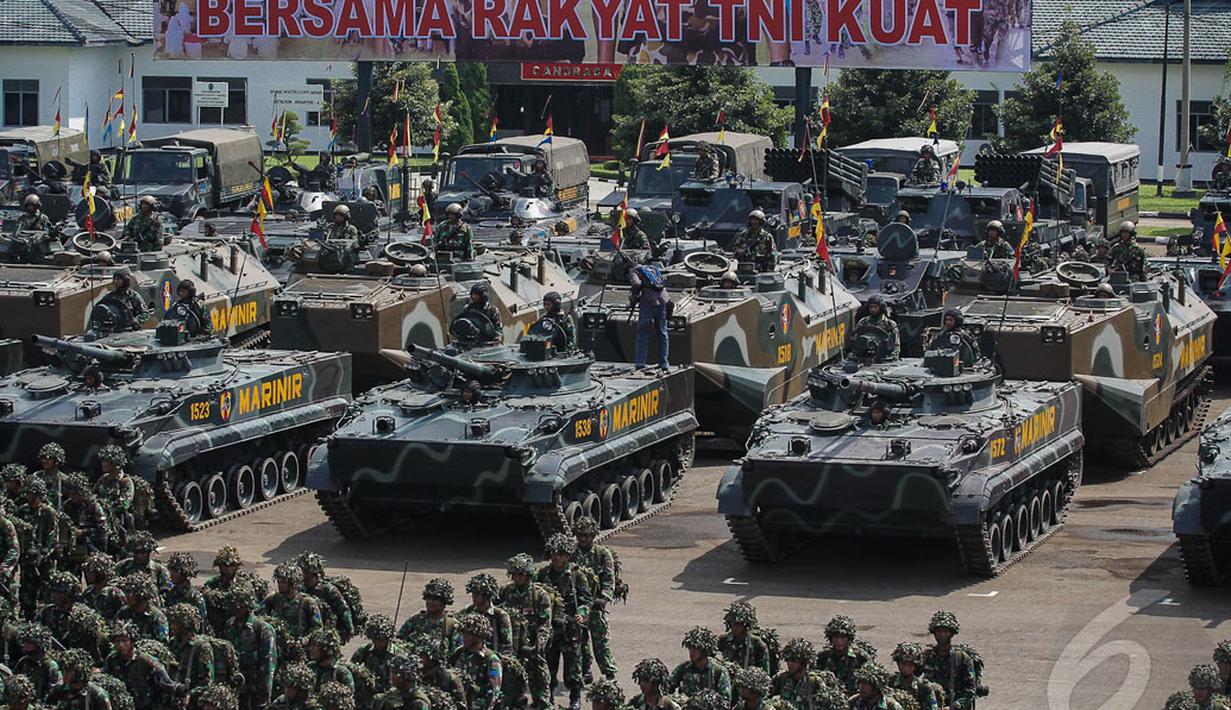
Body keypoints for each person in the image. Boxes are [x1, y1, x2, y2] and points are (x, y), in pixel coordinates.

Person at [536, 533, 592, 710]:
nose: (556, 558)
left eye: (560, 554)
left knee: (573, 667)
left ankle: (575, 698)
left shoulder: (576, 575)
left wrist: (582, 614)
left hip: (570, 627)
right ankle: (549, 695)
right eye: (553, 554)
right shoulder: (544, 574)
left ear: (567, 556)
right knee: (549, 664)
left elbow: (586, 599)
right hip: (550, 627)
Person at [500, 554, 553, 710]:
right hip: (511, 647)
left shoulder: (539, 595)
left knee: (541, 689)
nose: (517, 578)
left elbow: (545, 624)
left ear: (528, 575)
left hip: (532, 648)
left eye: (521, 574)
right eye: (515, 574)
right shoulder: (506, 592)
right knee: (511, 692)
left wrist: (538, 645)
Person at [103, 619, 187, 709]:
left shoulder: (147, 661)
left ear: (132, 642)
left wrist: (180, 690)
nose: (121, 645)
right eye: (117, 641)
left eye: (124, 640)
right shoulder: (111, 659)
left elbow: (167, 684)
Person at [220, 583, 278, 709]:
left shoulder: (262, 628)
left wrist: (265, 693)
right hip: (236, 686)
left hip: (255, 688)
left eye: (241, 606)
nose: (237, 609)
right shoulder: (230, 625)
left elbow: (269, 663)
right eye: (234, 606)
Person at [573, 518, 617, 683]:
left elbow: (608, 579)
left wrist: (604, 598)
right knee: (580, 640)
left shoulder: (602, 554)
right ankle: (586, 670)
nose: (583, 539)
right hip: (579, 605)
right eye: (580, 535)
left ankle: (608, 671)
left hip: (596, 604)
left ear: (593, 535)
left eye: (586, 535)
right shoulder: (571, 553)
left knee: (600, 641)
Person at [262, 562, 323, 660]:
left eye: (283, 582)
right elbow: (259, 616)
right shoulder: (273, 598)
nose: (279, 585)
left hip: (299, 653)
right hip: (277, 650)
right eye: (278, 582)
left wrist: (304, 641)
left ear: (293, 583)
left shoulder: (307, 602)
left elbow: (318, 629)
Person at [17, 478, 60, 617]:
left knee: (47, 591)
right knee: (26, 593)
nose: (28, 496)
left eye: (31, 494)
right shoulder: (23, 510)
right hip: (27, 559)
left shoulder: (48, 512)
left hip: (44, 560)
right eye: (28, 493)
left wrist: (44, 553)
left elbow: (53, 536)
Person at [922, 611, 979, 710]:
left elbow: (970, 689)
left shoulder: (961, 658)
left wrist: (956, 706)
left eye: (945, 631)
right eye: (939, 631)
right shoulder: (927, 656)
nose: (942, 634)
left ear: (952, 633)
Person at [297, 552, 357, 644]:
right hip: (306, 628)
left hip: (326, 631)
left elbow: (343, 608)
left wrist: (350, 628)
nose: (304, 575)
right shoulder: (300, 588)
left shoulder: (328, 589)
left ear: (313, 573)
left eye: (306, 572)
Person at [397, 578, 460, 658]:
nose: (431, 602)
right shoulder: (415, 620)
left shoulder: (451, 624)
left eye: (436, 599)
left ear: (444, 602)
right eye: (429, 597)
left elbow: (457, 653)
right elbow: (399, 641)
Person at [452, 613, 503, 710]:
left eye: (468, 634)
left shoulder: (491, 660)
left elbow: (493, 692)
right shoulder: (459, 653)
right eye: (464, 633)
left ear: (479, 636)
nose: (464, 637)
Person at [167, 603, 216, 702]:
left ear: (185, 624)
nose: (171, 626)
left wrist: (190, 694)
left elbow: (207, 682)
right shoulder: (173, 643)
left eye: (175, 623)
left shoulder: (201, 647)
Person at [668, 627, 731, 705]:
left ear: (705, 650)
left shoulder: (718, 671)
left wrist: (705, 702)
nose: (692, 652)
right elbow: (666, 689)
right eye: (690, 648)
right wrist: (678, 700)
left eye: (696, 648)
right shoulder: (683, 668)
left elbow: (726, 702)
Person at [351, 614, 407, 695]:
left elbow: (404, 678)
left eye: (383, 639)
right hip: (370, 693)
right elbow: (352, 666)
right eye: (376, 639)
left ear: (388, 638)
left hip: (390, 694)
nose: (379, 643)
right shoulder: (365, 650)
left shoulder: (398, 654)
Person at [814, 615, 871, 694]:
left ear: (849, 638)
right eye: (836, 637)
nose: (839, 641)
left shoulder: (861, 657)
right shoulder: (823, 657)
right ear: (831, 639)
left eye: (843, 637)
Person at [629, 261, 670, 370]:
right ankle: (663, 362)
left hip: (648, 301)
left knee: (643, 333)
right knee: (662, 331)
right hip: (662, 300)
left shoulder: (634, 271)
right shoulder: (652, 268)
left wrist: (634, 296)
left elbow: (636, 284)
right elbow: (663, 279)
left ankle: (640, 363)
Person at [460, 574, 513, 656]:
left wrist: (498, 659)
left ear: (486, 596)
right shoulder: (467, 611)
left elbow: (507, 645)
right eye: (473, 593)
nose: (474, 597)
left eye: (477, 594)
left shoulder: (500, 615)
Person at [50, 647, 114, 708]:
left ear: (80, 671)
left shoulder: (97, 694)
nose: (64, 673)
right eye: (63, 669)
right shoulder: (58, 689)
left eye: (69, 670)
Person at [769, 638, 825, 707]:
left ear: (803, 662)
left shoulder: (814, 681)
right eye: (788, 660)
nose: (789, 664)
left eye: (794, 661)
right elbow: (763, 696)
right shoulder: (781, 678)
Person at [115, 573, 170, 643]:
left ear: (142, 595)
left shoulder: (157, 617)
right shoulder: (124, 612)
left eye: (131, 592)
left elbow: (162, 643)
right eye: (126, 592)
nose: (127, 596)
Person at [718, 601, 769, 674]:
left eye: (739, 624)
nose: (735, 627)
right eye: (732, 623)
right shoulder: (724, 640)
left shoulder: (757, 644)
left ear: (745, 625)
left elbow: (765, 673)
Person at [115, 529, 172, 594]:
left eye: (143, 552)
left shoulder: (159, 569)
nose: (139, 556)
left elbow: (166, 591)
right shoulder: (123, 566)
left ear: (149, 553)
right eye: (136, 552)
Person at [889, 643, 940, 710]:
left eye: (910, 665)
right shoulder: (889, 684)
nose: (906, 668)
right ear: (898, 663)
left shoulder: (924, 689)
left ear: (916, 665)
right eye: (903, 664)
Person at [851, 295, 900, 362]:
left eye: (875, 307)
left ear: (881, 307)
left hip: (884, 357)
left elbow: (896, 344)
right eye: (871, 307)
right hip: (865, 357)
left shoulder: (889, 324)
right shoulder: (863, 322)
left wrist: (893, 357)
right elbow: (855, 338)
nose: (873, 309)